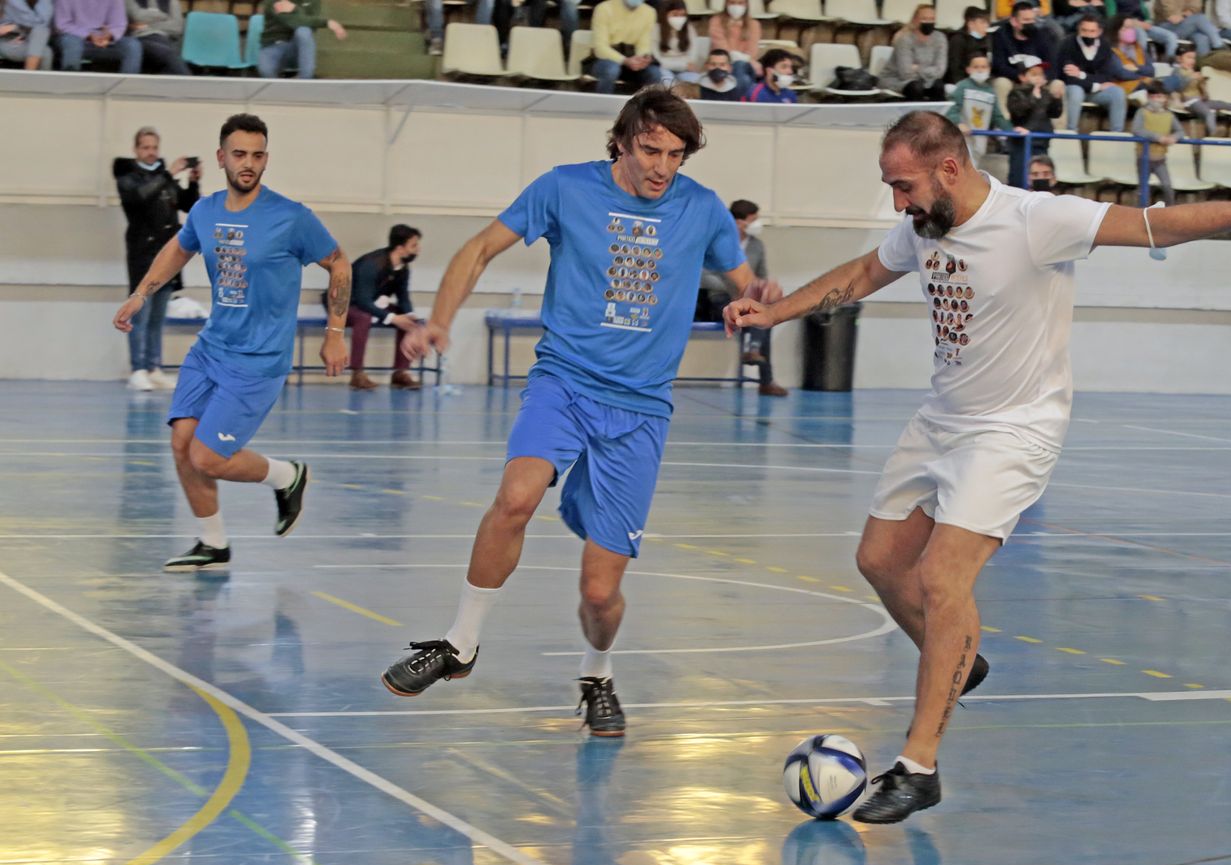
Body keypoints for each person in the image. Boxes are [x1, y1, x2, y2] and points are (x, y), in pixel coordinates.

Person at [722, 110, 1231, 824]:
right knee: (879, 559)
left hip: (1015, 428)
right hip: (941, 419)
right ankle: (959, 660)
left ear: (948, 169)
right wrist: (777, 313)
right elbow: (863, 273)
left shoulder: (1035, 219)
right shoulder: (922, 227)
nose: (898, 202)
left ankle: (919, 766)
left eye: (904, 186)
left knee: (941, 577)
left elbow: (1151, 224)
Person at [380, 89, 776, 738]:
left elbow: (745, 286)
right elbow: (478, 249)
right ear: (620, 140)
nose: (662, 168)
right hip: (563, 381)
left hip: (641, 410)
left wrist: (756, 299)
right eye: (651, 150)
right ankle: (460, 643)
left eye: (676, 155)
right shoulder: (564, 189)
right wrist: (441, 321)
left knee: (599, 593)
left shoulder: (702, 209)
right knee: (515, 497)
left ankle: (598, 672)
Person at [111, 113, 352, 571]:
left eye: (258, 155)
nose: (249, 163)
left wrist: (334, 335)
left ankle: (287, 475)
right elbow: (179, 247)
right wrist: (142, 294)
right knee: (182, 444)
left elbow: (340, 264)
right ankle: (214, 543)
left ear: (266, 159)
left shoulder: (291, 217)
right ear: (222, 157)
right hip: (210, 349)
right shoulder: (205, 210)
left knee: (207, 455)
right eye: (239, 154)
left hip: (259, 360)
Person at [114, 125, 200, 392]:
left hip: (169, 256)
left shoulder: (165, 179)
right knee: (141, 313)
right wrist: (168, 173)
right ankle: (137, 368)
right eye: (145, 148)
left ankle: (153, 367)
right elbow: (141, 198)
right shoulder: (129, 178)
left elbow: (188, 204)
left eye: (154, 148)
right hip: (143, 255)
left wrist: (194, 181)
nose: (151, 153)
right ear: (136, 150)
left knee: (158, 316)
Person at [702, 200, 789, 395]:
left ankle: (756, 355)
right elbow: (704, 277)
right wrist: (737, 287)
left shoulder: (757, 246)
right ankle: (759, 361)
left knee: (765, 312)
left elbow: (762, 276)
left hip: (747, 300)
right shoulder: (717, 242)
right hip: (718, 300)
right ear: (739, 222)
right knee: (753, 311)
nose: (757, 224)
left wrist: (761, 288)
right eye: (753, 220)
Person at [333, 224, 425, 391]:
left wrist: (409, 315)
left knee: (406, 320)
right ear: (400, 248)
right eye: (414, 245)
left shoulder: (403, 267)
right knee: (363, 317)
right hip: (344, 304)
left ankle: (400, 373)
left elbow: (403, 296)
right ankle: (357, 373)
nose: (418, 249)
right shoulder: (371, 264)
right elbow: (362, 301)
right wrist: (392, 318)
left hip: (370, 303)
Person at [257, 0, 347, 79]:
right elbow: (291, 20)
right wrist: (327, 23)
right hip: (273, 44)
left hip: (297, 47)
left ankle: (305, 79)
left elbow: (311, 25)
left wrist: (295, 9)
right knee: (266, 71)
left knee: (304, 30)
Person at [589, 0, 663, 95]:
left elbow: (644, 43)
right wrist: (625, 60)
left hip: (632, 59)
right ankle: (602, 104)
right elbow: (600, 48)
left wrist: (642, 58)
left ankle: (645, 106)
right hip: (605, 60)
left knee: (655, 73)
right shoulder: (604, 8)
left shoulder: (649, 12)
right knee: (611, 70)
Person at [882, 4, 949, 100]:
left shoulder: (940, 38)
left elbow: (940, 71)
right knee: (916, 87)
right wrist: (929, 70)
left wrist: (917, 68)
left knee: (938, 86)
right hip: (897, 79)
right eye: (924, 19)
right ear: (915, 20)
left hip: (926, 80)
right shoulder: (905, 40)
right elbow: (905, 73)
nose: (929, 22)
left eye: (932, 19)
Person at [54, 0, 142, 72]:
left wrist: (109, 35)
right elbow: (62, 24)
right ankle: (70, 83)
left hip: (104, 38)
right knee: (72, 43)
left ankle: (126, 88)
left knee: (132, 45)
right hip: (75, 36)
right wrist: (88, 35)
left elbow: (119, 24)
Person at [1131, 80, 1178, 206]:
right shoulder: (1142, 112)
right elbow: (1137, 129)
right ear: (1148, 97)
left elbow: (1180, 131)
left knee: (1167, 186)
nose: (1156, 100)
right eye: (1153, 97)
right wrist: (1158, 137)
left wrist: (1174, 137)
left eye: (1159, 96)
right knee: (1143, 189)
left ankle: (1170, 212)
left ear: (1165, 98)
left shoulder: (1169, 115)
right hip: (1144, 158)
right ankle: (1140, 213)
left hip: (1160, 159)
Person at [124, 0, 190, 74]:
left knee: (171, 53)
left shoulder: (172, 1)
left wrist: (147, 26)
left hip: (167, 38)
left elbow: (177, 27)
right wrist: (165, 16)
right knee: (169, 54)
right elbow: (137, 16)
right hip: (140, 37)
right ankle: (190, 83)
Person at [708, 0, 762, 87]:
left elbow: (752, 52)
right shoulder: (716, 21)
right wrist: (746, 59)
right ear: (726, 4)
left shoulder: (754, 24)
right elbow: (722, 50)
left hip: (745, 66)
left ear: (746, 4)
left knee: (741, 67)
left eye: (740, 3)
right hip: (721, 64)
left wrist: (746, 59)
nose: (736, 6)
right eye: (732, 3)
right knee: (744, 77)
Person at [656, 0, 705, 86]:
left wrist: (684, 66)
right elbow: (658, 60)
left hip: (685, 70)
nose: (679, 18)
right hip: (664, 69)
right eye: (675, 14)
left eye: (682, 15)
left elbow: (692, 57)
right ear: (665, 14)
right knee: (667, 83)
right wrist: (683, 65)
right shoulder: (656, 30)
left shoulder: (689, 29)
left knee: (697, 81)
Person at [0, 0, 53, 69]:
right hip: (6, 40)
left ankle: (28, 76)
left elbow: (42, 23)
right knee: (45, 51)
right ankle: (28, 77)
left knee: (41, 33)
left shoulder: (45, 2)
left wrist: (17, 28)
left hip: (28, 38)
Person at [947, 6, 993, 84]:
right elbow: (955, 68)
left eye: (987, 22)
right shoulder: (958, 39)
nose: (986, 26)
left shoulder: (987, 39)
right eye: (982, 22)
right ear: (971, 24)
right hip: (961, 83)